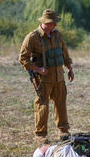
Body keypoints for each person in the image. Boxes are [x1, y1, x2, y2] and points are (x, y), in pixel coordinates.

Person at [19, 9, 74, 144]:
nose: (55, 25)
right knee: (42, 106)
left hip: (59, 77)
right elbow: (23, 58)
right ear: (45, 22)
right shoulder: (32, 37)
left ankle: (63, 131)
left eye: (55, 22)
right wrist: (38, 69)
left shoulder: (57, 35)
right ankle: (41, 134)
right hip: (42, 79)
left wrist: (70, 68)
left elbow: (64, 52)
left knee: (61, 104)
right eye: (52, 22)